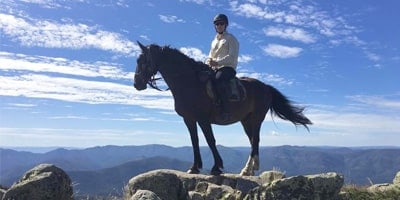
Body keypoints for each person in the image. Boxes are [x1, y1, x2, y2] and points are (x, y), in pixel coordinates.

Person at [205, 14, 239, 122]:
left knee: (218, 79)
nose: (219, 26)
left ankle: (226, 111)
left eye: (221, 23)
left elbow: (232, 56)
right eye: (217, 24)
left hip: (227, 68)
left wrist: (217, 62)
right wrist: (208, 63)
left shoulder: (231, 39)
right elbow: (210, 56)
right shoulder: (214, 41)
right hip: (214, 68)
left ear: (226, 25)